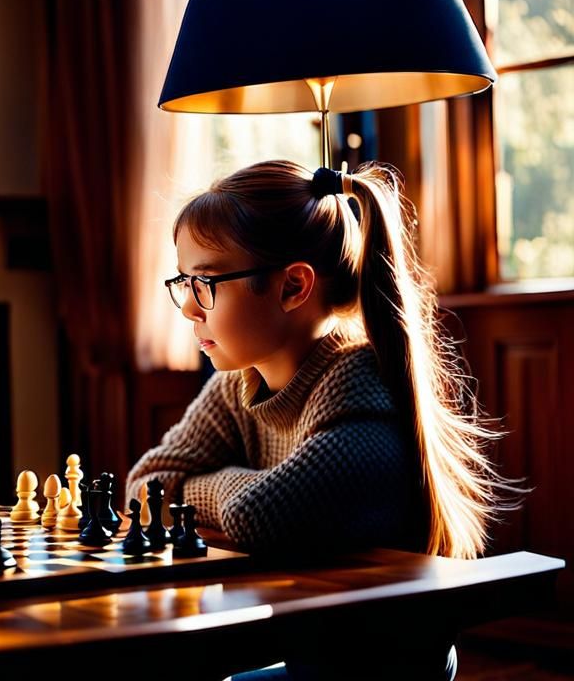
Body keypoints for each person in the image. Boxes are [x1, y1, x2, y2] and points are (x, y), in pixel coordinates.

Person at [125, 160, 519, 678]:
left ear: (292, 287)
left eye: (205, 283)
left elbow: (255, 516)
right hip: (307, 649)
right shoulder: (238, 382)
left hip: (383, 666)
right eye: (183, 282)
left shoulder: (358, 391)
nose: (188, 309)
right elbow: (144, 485)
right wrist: (233, 488)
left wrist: (208, 486)